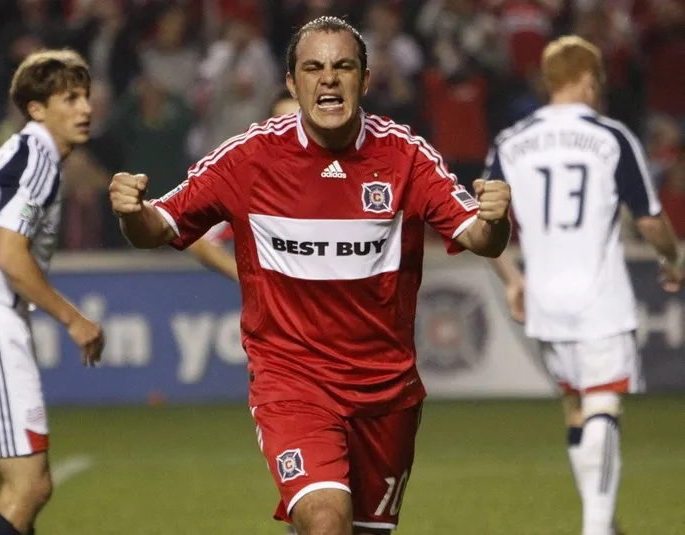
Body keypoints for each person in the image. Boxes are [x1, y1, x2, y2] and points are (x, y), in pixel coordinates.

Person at [109, 16, 511, 535]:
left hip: (385, 392)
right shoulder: (250, 157)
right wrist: (132, 213)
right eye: (313, 67)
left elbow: (479, 237)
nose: (329, 79)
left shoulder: (404, 156)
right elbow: (158, 227)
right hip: (292, 380)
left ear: (365, 80)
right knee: (325, 518)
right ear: (291, 82)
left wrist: (495, 221)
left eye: (343, 66)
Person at [485, 36, 684, 535]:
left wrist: (513, 280)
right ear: (588, 78)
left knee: (575, 407)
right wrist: (672, 259)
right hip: (599, 297)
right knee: (602, 404)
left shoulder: (510, 142)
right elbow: (650, 218)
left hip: (544, 300)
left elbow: (483, 225)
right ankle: (596, 528)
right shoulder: (610, 137)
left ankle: (603, 523)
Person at [0, 50, 104, 535]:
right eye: (69, 98)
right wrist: (73, 318)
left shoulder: (29, 154)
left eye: (85, 96)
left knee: (25, 484)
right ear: (36, 109)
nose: (85, 108)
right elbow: (10, 255)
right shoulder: (37, 157)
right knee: (28, 487)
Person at [186, 89, 300, 280]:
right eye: (282, 125)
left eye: (298, 124)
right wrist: (250, 279)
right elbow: (199, 238)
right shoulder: (253, 186)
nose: (291, 134)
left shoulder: (345, 173)